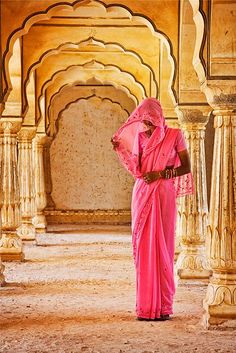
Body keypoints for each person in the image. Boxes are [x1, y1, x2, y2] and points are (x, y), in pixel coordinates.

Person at [111, 97, 193, 321]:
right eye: (142, 119)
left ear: (157, 116)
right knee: (143, 247)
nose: (145, 124)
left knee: (163, 247)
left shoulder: (174, 135)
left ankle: (164, 307)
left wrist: (161, 174)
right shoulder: (139, 138)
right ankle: (146, 308)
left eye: (149, 119)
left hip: (163, 193)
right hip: (142, 193)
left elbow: (186, 166)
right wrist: (121, 150)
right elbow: (137, 169)